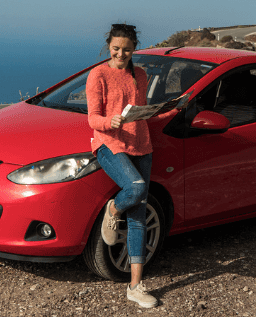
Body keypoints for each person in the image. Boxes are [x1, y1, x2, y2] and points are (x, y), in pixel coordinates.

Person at [86, 23, 158, 309]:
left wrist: (156, 111)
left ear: (134, 49)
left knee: (139, 215)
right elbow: (93, 118)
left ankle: (136, 285)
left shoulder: (140, 74)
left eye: (126, 50)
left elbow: (138, 110)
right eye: (116, 49)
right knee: (137, 188)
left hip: (142, 145)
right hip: (109, 145)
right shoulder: (98, 74)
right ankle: (113, 209)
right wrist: (110, 122)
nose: (120, 54)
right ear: (109, 46)